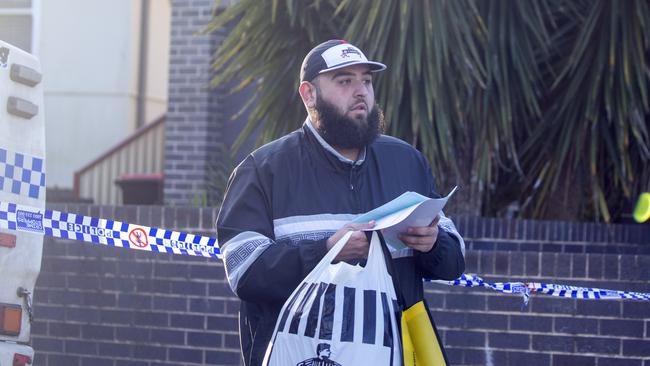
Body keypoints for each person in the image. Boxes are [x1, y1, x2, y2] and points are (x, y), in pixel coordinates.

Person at [217, 39, 465, 366]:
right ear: (308, 94)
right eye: (345, 81)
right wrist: (325, 250)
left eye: (367, 80)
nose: (361, 91)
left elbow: (455, 261)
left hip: (394, 355)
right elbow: (245, 272)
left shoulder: (407, 162)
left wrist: (433, 244)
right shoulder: (262, 170)